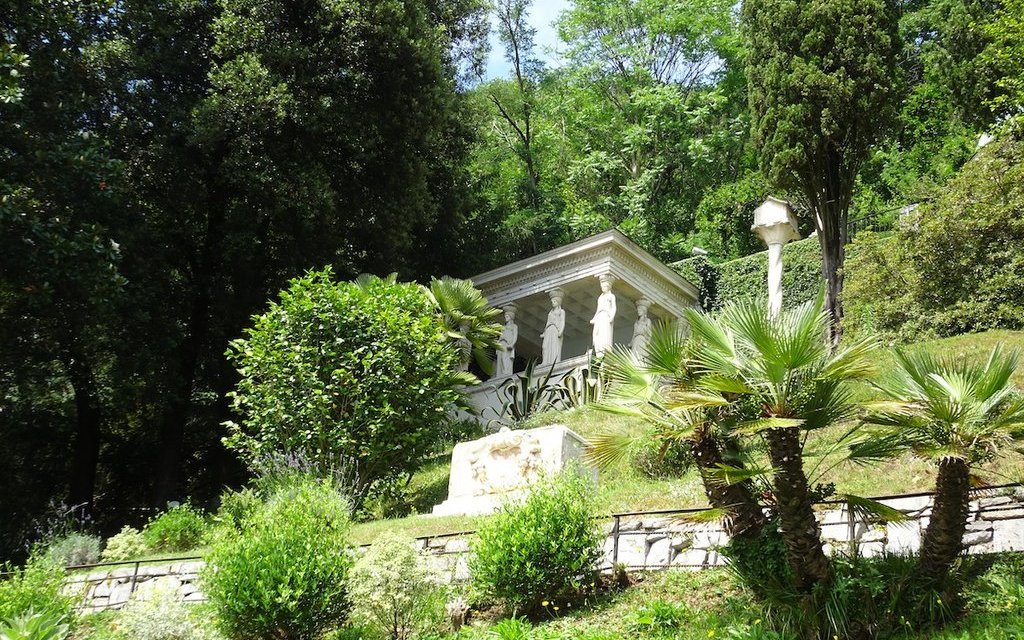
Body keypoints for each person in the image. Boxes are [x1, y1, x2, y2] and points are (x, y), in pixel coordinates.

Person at [590, 275, 616, 354]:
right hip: (599, 317)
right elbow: (598, 309)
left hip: (606, 316)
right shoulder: (600, 297)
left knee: (604, 333)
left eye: (604, 287)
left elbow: (614, 308)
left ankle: (604, 350)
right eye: (602, 287)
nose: (603, 288)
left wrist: (611, 317)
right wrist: (594, 318)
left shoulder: (611, 296)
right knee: (596, 334)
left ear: (608, 287)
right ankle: (597, 349)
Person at [541, 290, 565, 366]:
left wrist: (560, 331)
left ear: (558, 302)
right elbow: (547, 323)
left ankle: (554, 362)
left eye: (554, 301)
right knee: (544, 346)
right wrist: (544, 333)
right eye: (552, 301)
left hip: (555, 330)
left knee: (554, 346)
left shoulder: (561, 311)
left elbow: (562, 322)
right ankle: (545, 362)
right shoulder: (550, 312)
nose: (553, 303)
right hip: (549, 330)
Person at [494, 306, 518, 377]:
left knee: (505, 358)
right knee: (501, 358)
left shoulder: (514, 326)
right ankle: (501, 374)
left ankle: (506, 372)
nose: (506, 318)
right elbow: (501, 335)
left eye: (507, 316)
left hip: (508, 344)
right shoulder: (503, 327)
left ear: (511, 317)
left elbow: (515, 336)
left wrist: (512, 344)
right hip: (502, 343)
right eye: (505, 316)